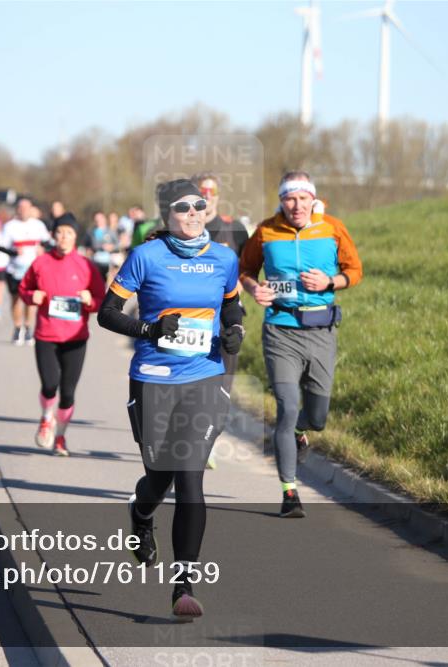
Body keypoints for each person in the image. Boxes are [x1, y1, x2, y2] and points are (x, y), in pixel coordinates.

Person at [98, 179, 244, 619]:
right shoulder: (146, 256)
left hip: (204, 376)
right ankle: (141, 515)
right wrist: (149, 330)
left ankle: (183, 585)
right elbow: (107, 313)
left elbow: (232, 303)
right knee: (159, 478)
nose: (195, 212)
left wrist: (234, 330)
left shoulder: (223, 257)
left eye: (200, 205)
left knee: (190, 478)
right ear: (167, 215)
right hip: (154, 378)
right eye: (184, 207)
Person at [239, 171, 362, 518]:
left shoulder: (332, 228)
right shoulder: (265, 231)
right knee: (288, 406)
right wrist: (254, 289)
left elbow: (356, 270)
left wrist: (331, 280)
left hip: (322, 330)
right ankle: (289, 491)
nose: (296, 205)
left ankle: (300, 434)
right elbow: (245, 270)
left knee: (317, 417)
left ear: (313, 199)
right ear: (281, 201)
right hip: (280, 330)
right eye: (289, 199)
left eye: (302, 198)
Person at [19, 214, 106, 456]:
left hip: (75, 338)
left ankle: (60, 437)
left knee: (67, 392)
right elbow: (24, 288)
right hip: (46, 334)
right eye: (59, 232)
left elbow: (102, 300)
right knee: (49, 385)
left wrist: (91, 301)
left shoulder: (87, 266)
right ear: (53, 235)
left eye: (69, 233)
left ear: (76, 236)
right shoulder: (40, 263)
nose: (63, 237)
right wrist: (31, 296)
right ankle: (47, 418)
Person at [191, 173, 250, 469]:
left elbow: (249, 270)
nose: (208, 196)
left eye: (211, 191)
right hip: (191, 322)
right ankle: (189, 447)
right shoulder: (181, 229)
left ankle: (206, 440)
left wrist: (250, 291)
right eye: (201, 191)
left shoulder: (234, 229)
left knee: (222, 393)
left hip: (227, 320)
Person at [0, 197, 51, 345]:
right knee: (16, 300)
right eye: (21, 208)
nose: (23, 211)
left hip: (33, 270)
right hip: (15, 269)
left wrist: (43, 249)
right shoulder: (10, 226)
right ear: (17, 210)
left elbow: (48, 243)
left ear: (31, 209)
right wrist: (14, 252)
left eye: (26, 208)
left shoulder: (38, 225)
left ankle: (28, 328)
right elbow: (1, 247)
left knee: (31, 301)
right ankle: (17, 328)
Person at [88, 211, 118, 283]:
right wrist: (100, 247)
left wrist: (112, 247)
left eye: (100, 219)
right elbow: (89, 245)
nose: (98, 221)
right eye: (96, 219)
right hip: (96, 261)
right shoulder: (91, 232)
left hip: (109, 261)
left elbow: (118, 244)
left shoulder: (110, 231)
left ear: (104, 219)